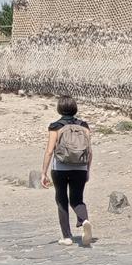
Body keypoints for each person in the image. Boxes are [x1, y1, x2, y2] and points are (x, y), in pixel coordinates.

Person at [41, 95, 94, 245]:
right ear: (74, 108)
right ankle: (84, 221)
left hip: (60, 168)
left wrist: (44, 172)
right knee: (77, 199)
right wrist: (87, 170)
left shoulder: (55, 126)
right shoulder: (84, 125)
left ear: (59, 108)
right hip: (80, 168)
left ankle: (67, 237)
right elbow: (89, 151)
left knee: (61, 200)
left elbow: (50, 151)